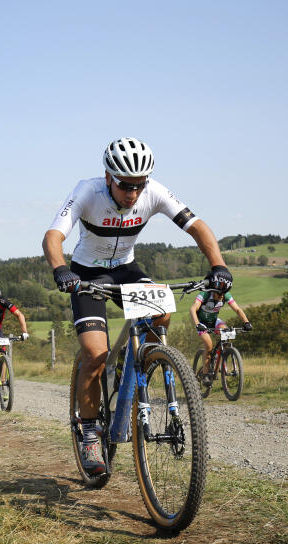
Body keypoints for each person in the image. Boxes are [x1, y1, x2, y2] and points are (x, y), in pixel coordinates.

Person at [42, 137, 233, 476]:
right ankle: (89, 433)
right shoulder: (87, 191)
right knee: (95, 354)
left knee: (162, 308)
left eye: (139, 186)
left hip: (127, 270)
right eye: (125, 186)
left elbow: (197, 226)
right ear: (107, 178)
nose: (132, 194)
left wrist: (218, 265)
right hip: (87, 274)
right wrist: (61, 270)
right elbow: (53, 236)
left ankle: (142, 366)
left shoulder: (154, 191)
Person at [190, 279, 253, 375]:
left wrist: (246, 322)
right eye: (220, 294)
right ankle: (206, 373)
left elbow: (237, 309)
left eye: (224, 294)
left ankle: (218, 362)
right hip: (201, 322)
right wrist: (197, 324)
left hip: (214, 321)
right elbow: (193, 309)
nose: (222, 296)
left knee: (227, 334)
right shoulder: (205, 294)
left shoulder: (225, 295)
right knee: (209, 346)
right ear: (214, 291)